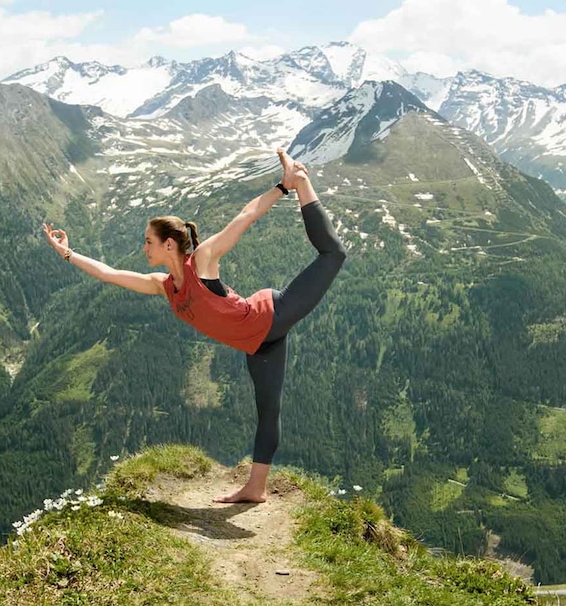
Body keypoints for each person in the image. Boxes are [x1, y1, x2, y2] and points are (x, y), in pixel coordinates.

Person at [43, 148, 346, 503]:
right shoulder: (164, 285)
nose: (144, 248)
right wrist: (66, 252)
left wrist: (284, 186)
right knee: (269, 411)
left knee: (334, 255)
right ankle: (256, 489)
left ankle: (304, 182)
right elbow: (109, 274)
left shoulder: (201, 263)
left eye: (148, 242)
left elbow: (245, 217)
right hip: (259, 344)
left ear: (168, 243)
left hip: (273, 315)